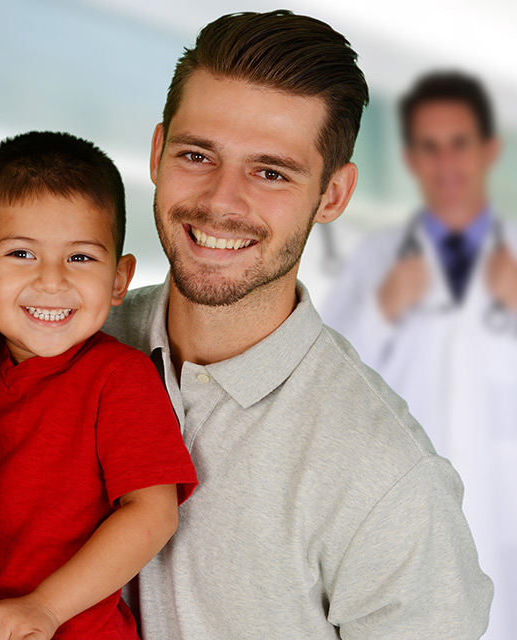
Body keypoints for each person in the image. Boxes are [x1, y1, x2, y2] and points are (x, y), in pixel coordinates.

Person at [102, 11, 494, 639]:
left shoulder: (388, 481)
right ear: (156, 152)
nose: (221, 201)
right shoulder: (62, 342)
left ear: (333, 196)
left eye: (271, 172)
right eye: (198, 154)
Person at [0, 131, 198, 640]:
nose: (50, 281)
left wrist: (45, 607)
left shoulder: (119, 377)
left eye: (80, 258)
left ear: (118, 280)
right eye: (21, 254)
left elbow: (152, 515)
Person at [322, 71, 517, 639]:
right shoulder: (376, 262)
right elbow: (325, 374)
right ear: (411, 159)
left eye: (459, 144)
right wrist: (382, 308)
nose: (445, 163)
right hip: (406, 501)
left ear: (489, 150)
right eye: (429, 147)